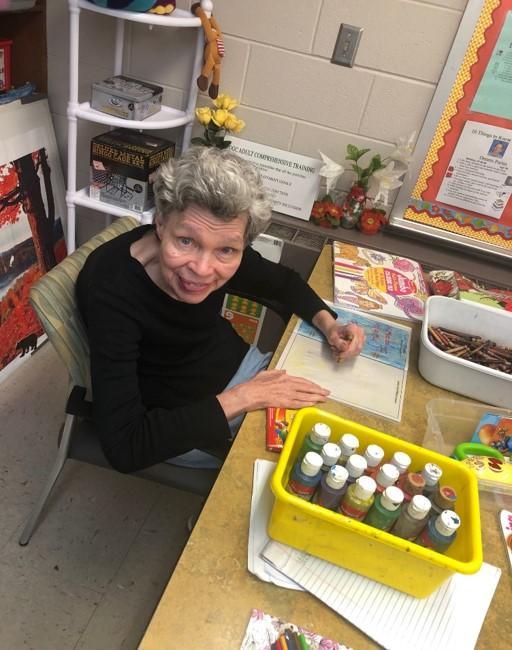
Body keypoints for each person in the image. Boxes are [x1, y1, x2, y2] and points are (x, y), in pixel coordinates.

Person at [76, 146, 365, 473]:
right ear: (160, 224)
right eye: (186, 241)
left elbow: (282, 283)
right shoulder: (112, 290)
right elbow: (125, 446)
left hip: (248, 373)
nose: (202, 268)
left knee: (355, 415)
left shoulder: (214, 242)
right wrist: (246, 397)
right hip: (192, 422)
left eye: (226, 250)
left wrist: (330, 325)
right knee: (327, 464)